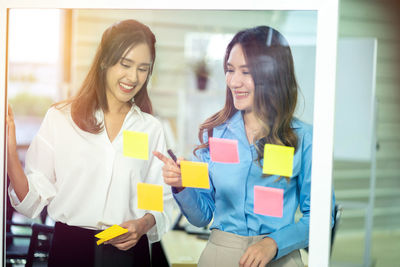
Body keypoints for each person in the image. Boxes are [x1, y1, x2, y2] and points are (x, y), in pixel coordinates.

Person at [154, 25, 335, 267]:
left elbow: (321, 217)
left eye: (246, 72)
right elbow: (202, 216)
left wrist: (274, 243)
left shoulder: (304, 139)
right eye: (230, 70)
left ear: (272, 75)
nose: (233, 81)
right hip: (219, 257)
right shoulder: (217, 133)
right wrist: (181, 186)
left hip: (280, 258)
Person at [6, 19, 174, 267]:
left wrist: (142, 224)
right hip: (71, 250)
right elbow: (31, 200)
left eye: (143, 68)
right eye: (125, 64)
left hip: (129, 254)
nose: (133, 77)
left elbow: (157, 200)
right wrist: (8, 151)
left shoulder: (150, 128)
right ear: (104, 61)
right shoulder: (61, 118)